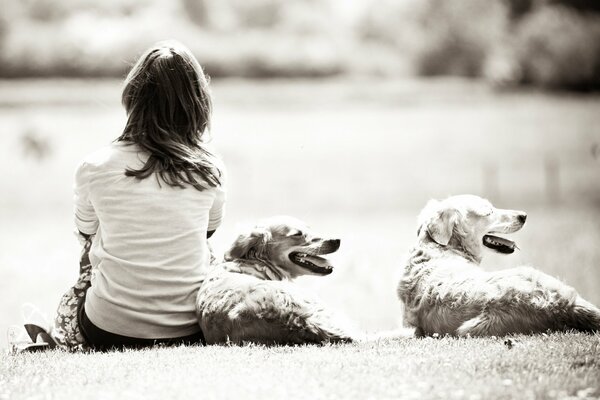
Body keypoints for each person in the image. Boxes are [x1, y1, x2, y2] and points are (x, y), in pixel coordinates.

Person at [51, 40, 226, 351]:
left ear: (132, 96)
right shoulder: (209, 168)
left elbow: (85, 233)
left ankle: (64, 335)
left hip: (107, 329)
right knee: (205, 247)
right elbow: (208, 230)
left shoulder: (95, 166)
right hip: (189, 329)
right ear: (198, 102)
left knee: (96, 245)